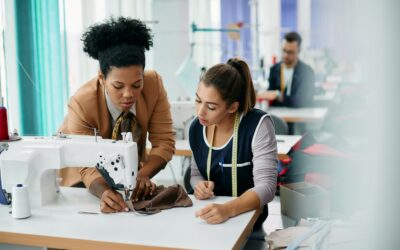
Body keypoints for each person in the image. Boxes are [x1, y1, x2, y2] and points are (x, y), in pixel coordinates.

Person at [58, 17, 175, 213]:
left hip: (127, 178)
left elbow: (164, 142)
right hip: (82, 183)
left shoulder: (153, 85)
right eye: (118, 86)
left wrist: (143, 174)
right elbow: (86, 166)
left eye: (137, 85)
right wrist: (104, 192)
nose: (129, 94)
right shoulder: (81, 103)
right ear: (102, 78)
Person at [189, 57, 277, 227]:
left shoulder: (258, 125)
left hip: (248, 219)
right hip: (209, 218)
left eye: (211, 107)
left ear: (232, 107)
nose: (200, 112)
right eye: (198, 100)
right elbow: (195, 174)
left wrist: (227, 210)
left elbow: (267, 187)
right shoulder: (196, 128)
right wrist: (199, 186)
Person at [259, 32, 315, 107]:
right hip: (278, 116)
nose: (285, 55)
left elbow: (301, 101)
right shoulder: (274, 69)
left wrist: (278, 95)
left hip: (300, 116)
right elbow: (270, 95)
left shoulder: (307, 72)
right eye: (284, 50)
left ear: (299, 51)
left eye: (290, 52)